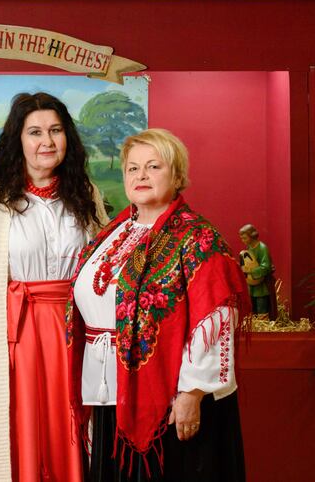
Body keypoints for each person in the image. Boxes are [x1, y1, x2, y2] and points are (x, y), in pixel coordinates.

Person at [66, 128, 249, 482]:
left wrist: (192, 392)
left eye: (153, 166)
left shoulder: (198, 237)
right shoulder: (113, 232)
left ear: (177, 176)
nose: (141, 176)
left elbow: (217, 318)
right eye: (132, 168)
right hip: (111, 389)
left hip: (170, 396)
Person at [0, 92, 108, 482]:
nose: (46, 142)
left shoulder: (86, 194)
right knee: (16, 433)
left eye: (55, 130)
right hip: (12, 335)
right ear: (17, 139)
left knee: (70, 431)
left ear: (67, 137)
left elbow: (105, 268)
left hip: (73, 334)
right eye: (35, 132)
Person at [238, 224, 275, 317]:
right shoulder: (249, 248)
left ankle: (263, 321)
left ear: (252, 236)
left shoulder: (262, 248)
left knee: (261, 305)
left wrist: (250, 270)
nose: (243, 241)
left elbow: (266, 266)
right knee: (253, 306)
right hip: (252, 283)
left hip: (262, 285)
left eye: (245, 238)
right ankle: (255, 321)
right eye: (241, 238)